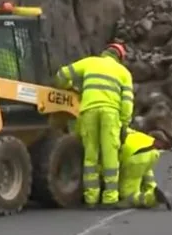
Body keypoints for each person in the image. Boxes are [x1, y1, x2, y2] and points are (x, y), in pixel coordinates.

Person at [55, 42, 134, 209]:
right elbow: (127, 103)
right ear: (120, 58)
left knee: (90, 154)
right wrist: (124, 124)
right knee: (109, 155)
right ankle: (110, 198)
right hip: (110, 114)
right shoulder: (124, 73)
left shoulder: (90, 62)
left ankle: (91, 198)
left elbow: (61, 75)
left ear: (105, 52)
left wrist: (71, 88)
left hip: (88, 111)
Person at [119, 128, 172, 210]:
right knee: (145, 172)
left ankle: (151, 198)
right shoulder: (124, 128)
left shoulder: (107, 133)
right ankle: (152, 189)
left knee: (128, 196)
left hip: (136, 156)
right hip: (151, 151)